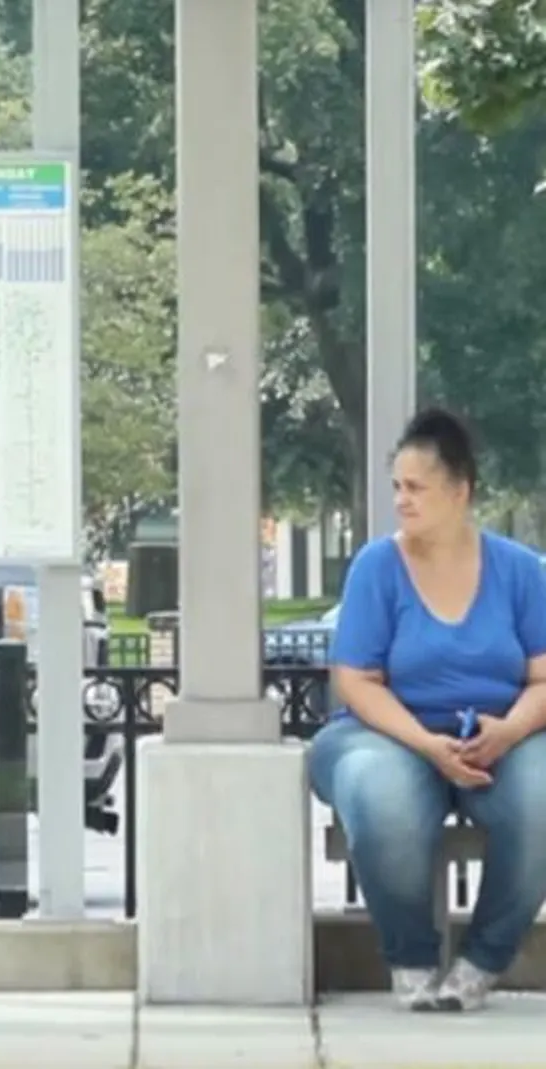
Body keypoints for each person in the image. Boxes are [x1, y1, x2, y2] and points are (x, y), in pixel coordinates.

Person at [311, 407, 546, 1013]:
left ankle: (483, 960)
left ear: (460, 491)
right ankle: (411, 957)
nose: (402, 501)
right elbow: (357, 681)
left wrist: (513, 728)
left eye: (416, 488)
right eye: (397, 487)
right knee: (379, 792)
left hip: (499, 737)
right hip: (386, 732)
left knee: (541, 793)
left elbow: (543, 677)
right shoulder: (376, 568)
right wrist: (424, 744)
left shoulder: (520, 572)